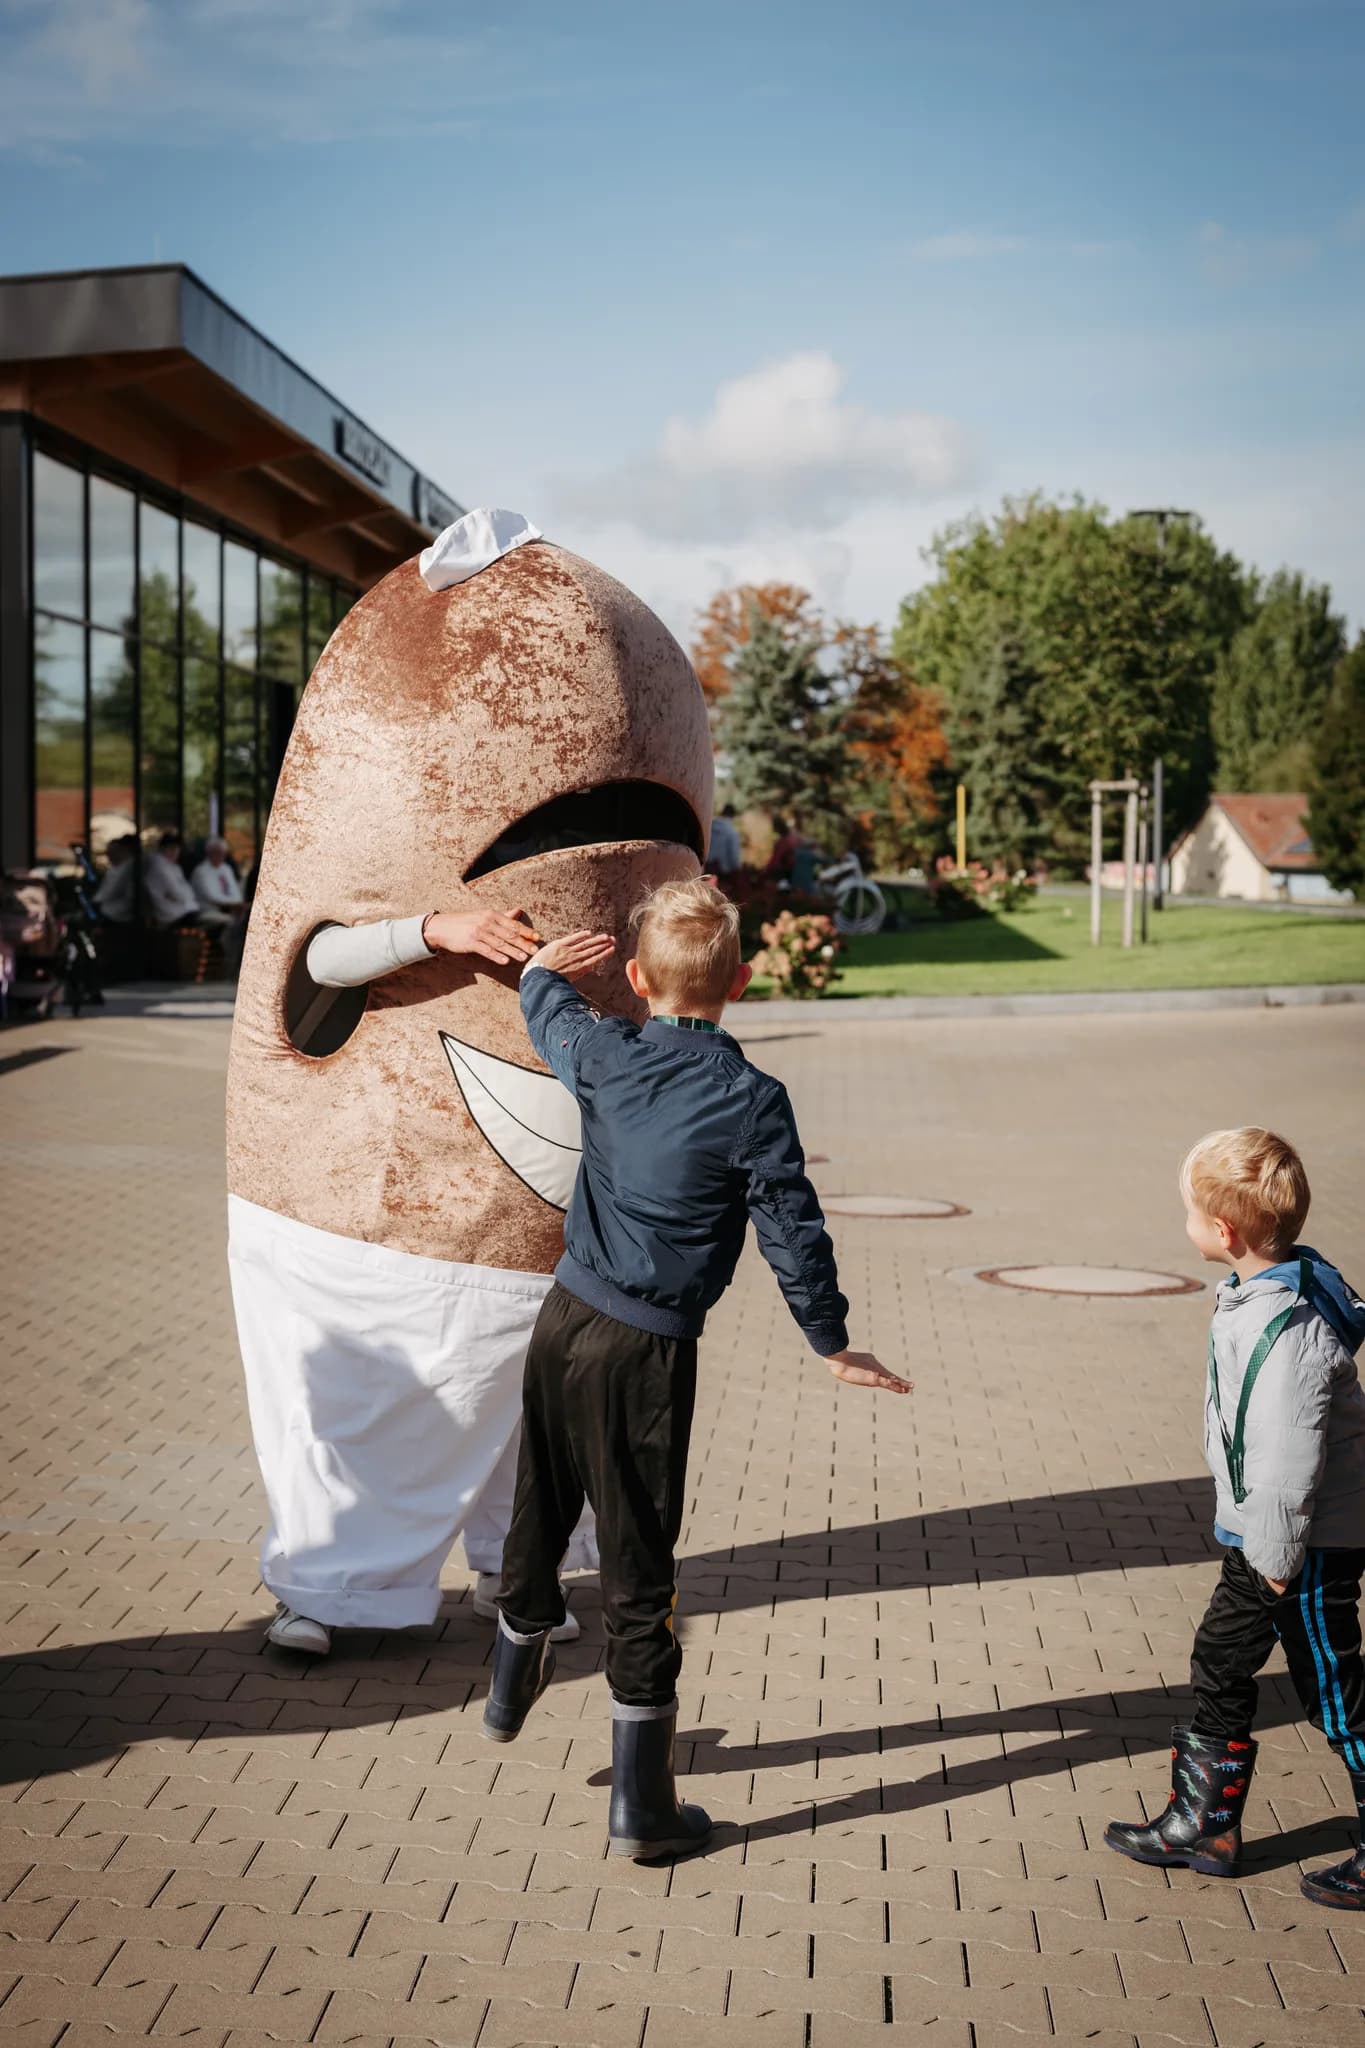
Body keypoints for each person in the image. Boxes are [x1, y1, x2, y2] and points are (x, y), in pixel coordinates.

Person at [482, 877, 911, 1860]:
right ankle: (640, 1807)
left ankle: (511, 1674)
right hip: (645, 1348)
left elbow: (547, 1005)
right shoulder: (755, 1100)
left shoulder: (603, 1048)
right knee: (639, 1566)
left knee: (539, 1501)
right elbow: (792, 1229)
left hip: (562, 1320)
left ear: (636, 978)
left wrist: (546, 967)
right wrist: (830, 1336)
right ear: (744, 982)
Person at [1106, 1127, 1365, 1906]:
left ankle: (1206, 1822)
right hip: (1265, 1534)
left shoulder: (1283, 1331)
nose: (1183, 1221)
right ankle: (1204, 1825)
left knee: (1331, 1691)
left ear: (1222, 1232)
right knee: (1220, 1663)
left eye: (1188, 1210)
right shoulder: (1275, 1281)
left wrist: (1276, 1563)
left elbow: (1289, 1464)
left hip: (1298, 1544)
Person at [191, 836, 247, 965]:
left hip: (229, 910)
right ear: (209, 853)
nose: (219, 856)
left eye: (222, 853)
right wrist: (234, 904)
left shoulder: (226, 869)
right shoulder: (201, 871)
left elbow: (234, 892)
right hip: (207, 911)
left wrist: (236, 904)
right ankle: (227, 959)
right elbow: (211, 896)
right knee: (232, 925)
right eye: (216, 853)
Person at [145, 831, 208, 930]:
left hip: (183, 909)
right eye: (171, 848)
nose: (175, 851)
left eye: (177, 848)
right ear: (162, 849)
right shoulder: (159, 867)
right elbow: (177, 893)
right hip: (170, 914)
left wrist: (182, 897)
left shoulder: (173, 866)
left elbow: (189, 892)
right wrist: (182, 897)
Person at [94, 835, 139, 925]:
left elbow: (112, 892)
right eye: (108, 852)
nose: (109, 855)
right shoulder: (113, 869)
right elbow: (104, 891)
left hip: (119, 917)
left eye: (112, 852)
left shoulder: (129, 868)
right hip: (109, 912)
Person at [705, 803, 741, 893]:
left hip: (706, 868)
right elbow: (733, 855)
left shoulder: (709, 826)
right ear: (733, 816)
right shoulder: (731, 832)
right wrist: (736, 869)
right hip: (722, 872)